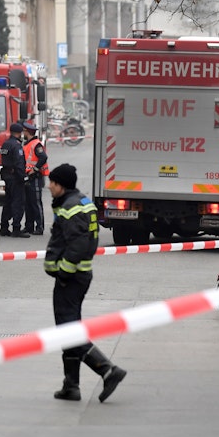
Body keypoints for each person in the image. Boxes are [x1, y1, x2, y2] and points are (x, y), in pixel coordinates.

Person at [44, 163, 127, 403]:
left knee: (69, 330)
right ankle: (71, 386)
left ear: (61, 184)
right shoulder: (79, 202)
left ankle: (107, 370)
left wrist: (63, 272)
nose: (49, 186)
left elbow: (79, 244)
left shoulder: (71, 208)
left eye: (52, 182)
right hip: (75, 277)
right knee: (69, 328)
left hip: (71, 279)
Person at [0, 122, 28, 237]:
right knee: (18, 203)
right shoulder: (16, 145)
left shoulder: (5, 144)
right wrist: (23, 177)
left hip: (6, 176)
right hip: (15, 178)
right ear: (19, 133)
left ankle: (4, 227)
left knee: (8, 202)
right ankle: (16, 228)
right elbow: (19, 163)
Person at [22, 120, 49, 235]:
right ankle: (29, 226)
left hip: (35, 177)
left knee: (36, 203)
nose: (23, 133)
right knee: (28, 204)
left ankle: (39, 227)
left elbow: (43, 157)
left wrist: (35, 169)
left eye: (24, 131)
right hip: (29, 177)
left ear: (27, 132)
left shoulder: (36, 144)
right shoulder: (28, 144)